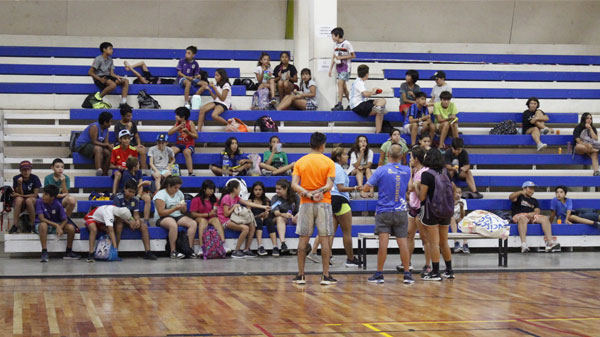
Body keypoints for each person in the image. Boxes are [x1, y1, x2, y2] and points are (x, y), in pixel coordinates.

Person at [363, 143, 414, 284]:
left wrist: (362, 189)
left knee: (383, 244)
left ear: (387, 155)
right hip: (401, 211)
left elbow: (367, 187)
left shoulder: (381, 170)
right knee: (403, 243)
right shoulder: (407, 170)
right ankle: (407, 273)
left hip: (384, 211)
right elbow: (409, 187)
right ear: (401, 156)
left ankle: (379, 274)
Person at [291, 132, 336, 285]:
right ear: (323, 145)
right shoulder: (329, 162)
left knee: (303, 239)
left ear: (310, 144)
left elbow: (294, 184)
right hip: (324, 202)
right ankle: (325, 275)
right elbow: (329, 185)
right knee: (324, 239)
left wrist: (309, 194)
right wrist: (318, 193)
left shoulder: (300, 162)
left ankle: (301, 275)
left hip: (306, 203)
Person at [418, 148, 454, 281]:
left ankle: (435, 272)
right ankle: (449, 270)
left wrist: (416, 188)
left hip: (431, 211)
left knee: (433, 242)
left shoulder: (426, 175)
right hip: (446, 211)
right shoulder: (446, 173)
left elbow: (422, 197)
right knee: (444, 242)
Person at [217, 179, 269, 259]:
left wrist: (264, 207)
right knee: (245, 228)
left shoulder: (236, 197)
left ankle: (246, 249)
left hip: (233, 219)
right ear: (234, 189)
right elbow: (226, 214)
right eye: (239, 188)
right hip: (225, 220)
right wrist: (234, 207)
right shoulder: (226, 198)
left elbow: (248, 203)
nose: (240, 190)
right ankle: (236, 250)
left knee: (252, 225)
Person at [153, 176, 198, 259]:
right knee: (173, 225)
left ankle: (189, 248)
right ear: (168, 186)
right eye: (175, 187)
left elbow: (183, 212)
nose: (177, 189)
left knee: (193, 223)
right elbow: (161, 212)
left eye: (178, 187)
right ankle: (173, 251)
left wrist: (183, 207)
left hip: (177, 215)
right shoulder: (160, 195)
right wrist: (175, 208)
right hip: (163, 217)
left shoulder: (179, 193)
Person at [510, 181, 561, 253]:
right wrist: (521, 192)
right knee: (522, 218)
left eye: (533, 189)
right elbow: (511, 197)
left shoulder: (534, 200)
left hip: (531, 216)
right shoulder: (518, 197)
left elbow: (537, 210)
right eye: (530, 188)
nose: (532, 191)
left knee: (544, 218)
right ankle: (524, 245)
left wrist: (532, 213)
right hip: (519, 215)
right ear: (524, 188)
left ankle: (550, 242)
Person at [330, 147, 361, 267]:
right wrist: (355, 188)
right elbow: (341, 188)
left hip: (332, 200)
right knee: (347, 232)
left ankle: (328, 257)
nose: (347, 157)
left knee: (331, 233)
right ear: (338, 157)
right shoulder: (338, 169)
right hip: (341, 200)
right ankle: (351, 258)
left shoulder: (333, 167)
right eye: (344, 155)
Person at [113, 180, 157, 260]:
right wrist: (129, 222)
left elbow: (136, 214)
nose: (131, 194)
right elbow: (118, 215)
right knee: (119, 226)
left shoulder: (135, 199)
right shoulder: (118, 198)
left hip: (130, 219)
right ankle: (115, 251)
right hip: (120, 219)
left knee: (143, 226)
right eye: (129, 191)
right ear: (125, 189)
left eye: (133, 192)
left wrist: (137, 221)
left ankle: (148, 252)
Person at [405, 146, 432, 278]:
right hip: (412, 207)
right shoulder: (415, 171)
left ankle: (428, 265)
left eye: (411, 157)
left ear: (416, 159)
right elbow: (410, 187)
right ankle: (407, 262)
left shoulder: (424, 173)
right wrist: (411, 174)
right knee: (409, 235)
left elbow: (419, 192)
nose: (409, 160)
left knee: (424, 238)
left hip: (422, 208)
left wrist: (415, 186)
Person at [35, 185, 80, 262]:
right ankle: (44, 252)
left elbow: (65, 219)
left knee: (71, 228)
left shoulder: (58, 204)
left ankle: (68, 251)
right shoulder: (39, 201)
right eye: (43, 193)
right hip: (42, 225)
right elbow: (42, 219)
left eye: (46, 194)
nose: (43, 195)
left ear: (52, 197)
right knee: (43, 225)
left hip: (55, 225)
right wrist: (57, 226)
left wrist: (60, 227)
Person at [88, 42, 130, 109]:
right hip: (100, 78)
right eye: (110, 48)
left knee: (126, 81)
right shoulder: (98, 59)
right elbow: (90, 72)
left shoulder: (110, 60)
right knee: (113, 85)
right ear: (104, 49)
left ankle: (123, 103)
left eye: (112, 49)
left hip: (108, 77)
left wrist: (117, 77)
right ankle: (97, 99)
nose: (112, 50)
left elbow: (111, 74)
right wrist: (99, 79)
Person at [190, 180, 228, 254]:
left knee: (216, 220)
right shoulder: (196, 199)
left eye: (213, 189)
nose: (212, 191)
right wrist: (207, 215)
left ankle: (223, 244)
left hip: (211, 218)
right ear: (204, 189)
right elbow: (193, 214)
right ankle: (202, 247)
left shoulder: (214, 199)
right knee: (203, 221)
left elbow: (219, 209)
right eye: (210, 189)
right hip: (200, 217)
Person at [349, 64, 387, 134]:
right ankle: (378, 131)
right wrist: (373, 92)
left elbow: (365, 95)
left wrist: (373, 92)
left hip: (361, 104)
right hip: (358, 106)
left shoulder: (358, 82)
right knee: (381, 109)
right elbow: (365, 94)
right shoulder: (359, 82)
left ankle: (378, 130)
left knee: (382, 101)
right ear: (367, 74)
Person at [75, 111, 113, 176]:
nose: (111, 123)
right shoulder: (94, 127)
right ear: (105, 122)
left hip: (93, 145)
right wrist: (107, 145)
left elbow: (106, 143)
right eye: (110, 121)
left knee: (107, 152)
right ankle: (99, 170)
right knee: (98, 149)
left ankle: (105, 173)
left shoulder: (106, 130)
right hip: (83, 145)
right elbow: (94, 141)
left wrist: (110, 146)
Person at [270, 179, 300, 256]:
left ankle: (305, 243)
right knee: (280, 218)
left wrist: (296, 215)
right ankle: (283, 244)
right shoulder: (275, 198)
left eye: (279, 189)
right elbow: (276, 213)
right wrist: (284, 215)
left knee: (301, 218)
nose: (277, 191)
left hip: (293, 218)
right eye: (276, 189)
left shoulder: (295, 197)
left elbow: (301, 209)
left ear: (286, 188)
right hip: (281, 218)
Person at [329, 27, 355, 111]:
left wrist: (342, 57)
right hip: (339, 68)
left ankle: (339, 104)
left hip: (346, 67)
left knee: (339, 83)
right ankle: (352, 104)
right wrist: (330, 68)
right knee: (343, 88)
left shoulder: (347, 43)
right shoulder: (336, 45)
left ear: (338, 35)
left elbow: (353, 55)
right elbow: (334, 56)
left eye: (333, 36)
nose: (332, 38)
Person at [11, 160, 41, 233]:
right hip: (21, 198)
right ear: (20, 170)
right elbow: (19, 193)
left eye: (28, 169)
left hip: (32, 198)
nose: (26, 171)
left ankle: (34, 224)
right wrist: (20, 184)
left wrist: (20, 195)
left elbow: (35, 194)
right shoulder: (16, 178)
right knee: (18, 200)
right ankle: (15, 225)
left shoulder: (35, 178)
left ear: (31, 170)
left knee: (28, 201)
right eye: (24, 169)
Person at [114, 105, 147, 171]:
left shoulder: (133, 123)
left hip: (133, 145)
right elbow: (119, 140)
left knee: (142, 150)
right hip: (123, 146)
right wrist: (128, 129)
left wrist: (139, 144)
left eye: (131, 116)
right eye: (128, 116)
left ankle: (143, 170)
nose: (130, 118)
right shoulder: (118, 126)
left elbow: (136, 136)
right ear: (123, 116)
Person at [121, 157, 153, 224]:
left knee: (147, 198)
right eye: (138, 164)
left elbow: (140, 184)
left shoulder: (139, 172)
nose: (139, 165)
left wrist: (138, 195)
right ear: (133, 167)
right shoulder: (126, 175)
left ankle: (146, 220)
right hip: (129, 192)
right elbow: (131, 189)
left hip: (138, 191)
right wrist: (142, 184)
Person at [247, 182, 274, 256]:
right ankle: (260, 246)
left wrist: (265, 215)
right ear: (252, 191)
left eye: (260, 190)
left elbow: (268, 213)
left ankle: (275, 247)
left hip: (264, 219)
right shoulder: (250, 201)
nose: (258, 191)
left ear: (263, 191)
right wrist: (259, 215)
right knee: (258, 220)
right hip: (254, 219)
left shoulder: (266, 200)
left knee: (270, 221)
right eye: (255, 190)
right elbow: (248, 216)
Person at [168, 106, 197, 176]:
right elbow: (169, 133)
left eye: (177, 115)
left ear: (183, 116)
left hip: (189, 144)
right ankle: (175, 170)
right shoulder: (177, 123)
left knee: (186, 152)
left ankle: (190, 172)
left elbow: (196, 136)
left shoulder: (190, 123)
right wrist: (178, 127)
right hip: (179, 144)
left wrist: (188, 132)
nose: (175, 116)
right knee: (170, 151)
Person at [110, 129, 138, 196]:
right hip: (118, 169)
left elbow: (136, 164)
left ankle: (128, 193)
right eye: (124, 138)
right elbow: (111, 165)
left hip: (129, 170)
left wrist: (129, 168)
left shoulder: (133, 150)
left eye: (128, 138)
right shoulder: (115, 150)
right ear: (120, 139)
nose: (127, 140)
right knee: (117, 174)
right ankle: (114, 194)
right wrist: (118, 167)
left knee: (127, 173)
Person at [450, 187, 469, 254]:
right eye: (456, 193)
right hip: (450, 218)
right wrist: (453, 205)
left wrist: (461, 208)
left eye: (460, 193)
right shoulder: (449, 201)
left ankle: (465, 244)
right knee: (452, 219)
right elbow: (449, 213)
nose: (458, 195)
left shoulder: (463, 201)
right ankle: (456, 242)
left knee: (464, 220)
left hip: (459, 217)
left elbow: (462, 215)